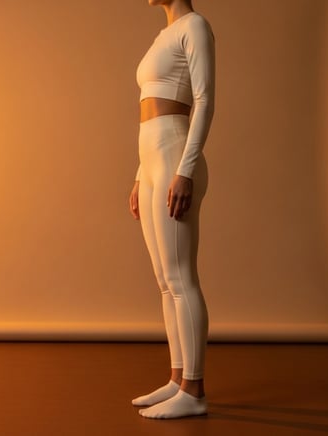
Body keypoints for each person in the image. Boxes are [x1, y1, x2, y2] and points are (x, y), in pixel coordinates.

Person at [129, 0, 215, 419]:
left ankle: (195, 391)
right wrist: (138, 175)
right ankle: (177, 378)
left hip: (175, 156)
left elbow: (203, 100)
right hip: (152, 161)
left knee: (181, 277)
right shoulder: (163, 35)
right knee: (165, 281)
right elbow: (148, 112)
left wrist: (186, 170)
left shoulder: (195, 26)